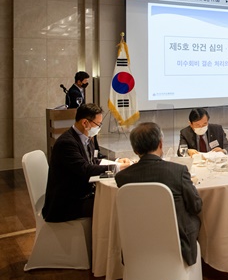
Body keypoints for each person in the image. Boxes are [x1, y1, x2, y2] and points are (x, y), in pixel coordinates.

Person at [115, 122, 203, 265]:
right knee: (195, 219)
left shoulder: (122, 177)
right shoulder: (178, 171)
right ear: (160, 144)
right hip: (177, 242)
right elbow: (196, 206)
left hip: (137, 243)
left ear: (135, 150)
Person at [43, 103, 131, 222]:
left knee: (114, 201)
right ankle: (104, 240)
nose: (98, 128)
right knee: (112, 205)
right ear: (85, 123)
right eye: (98, 124)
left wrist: (116, 161)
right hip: (67, 204)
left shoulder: (85, 137)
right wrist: (118, 168)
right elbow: (86, 169)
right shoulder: (67, 143)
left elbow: (93, 160)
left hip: (81, 195)